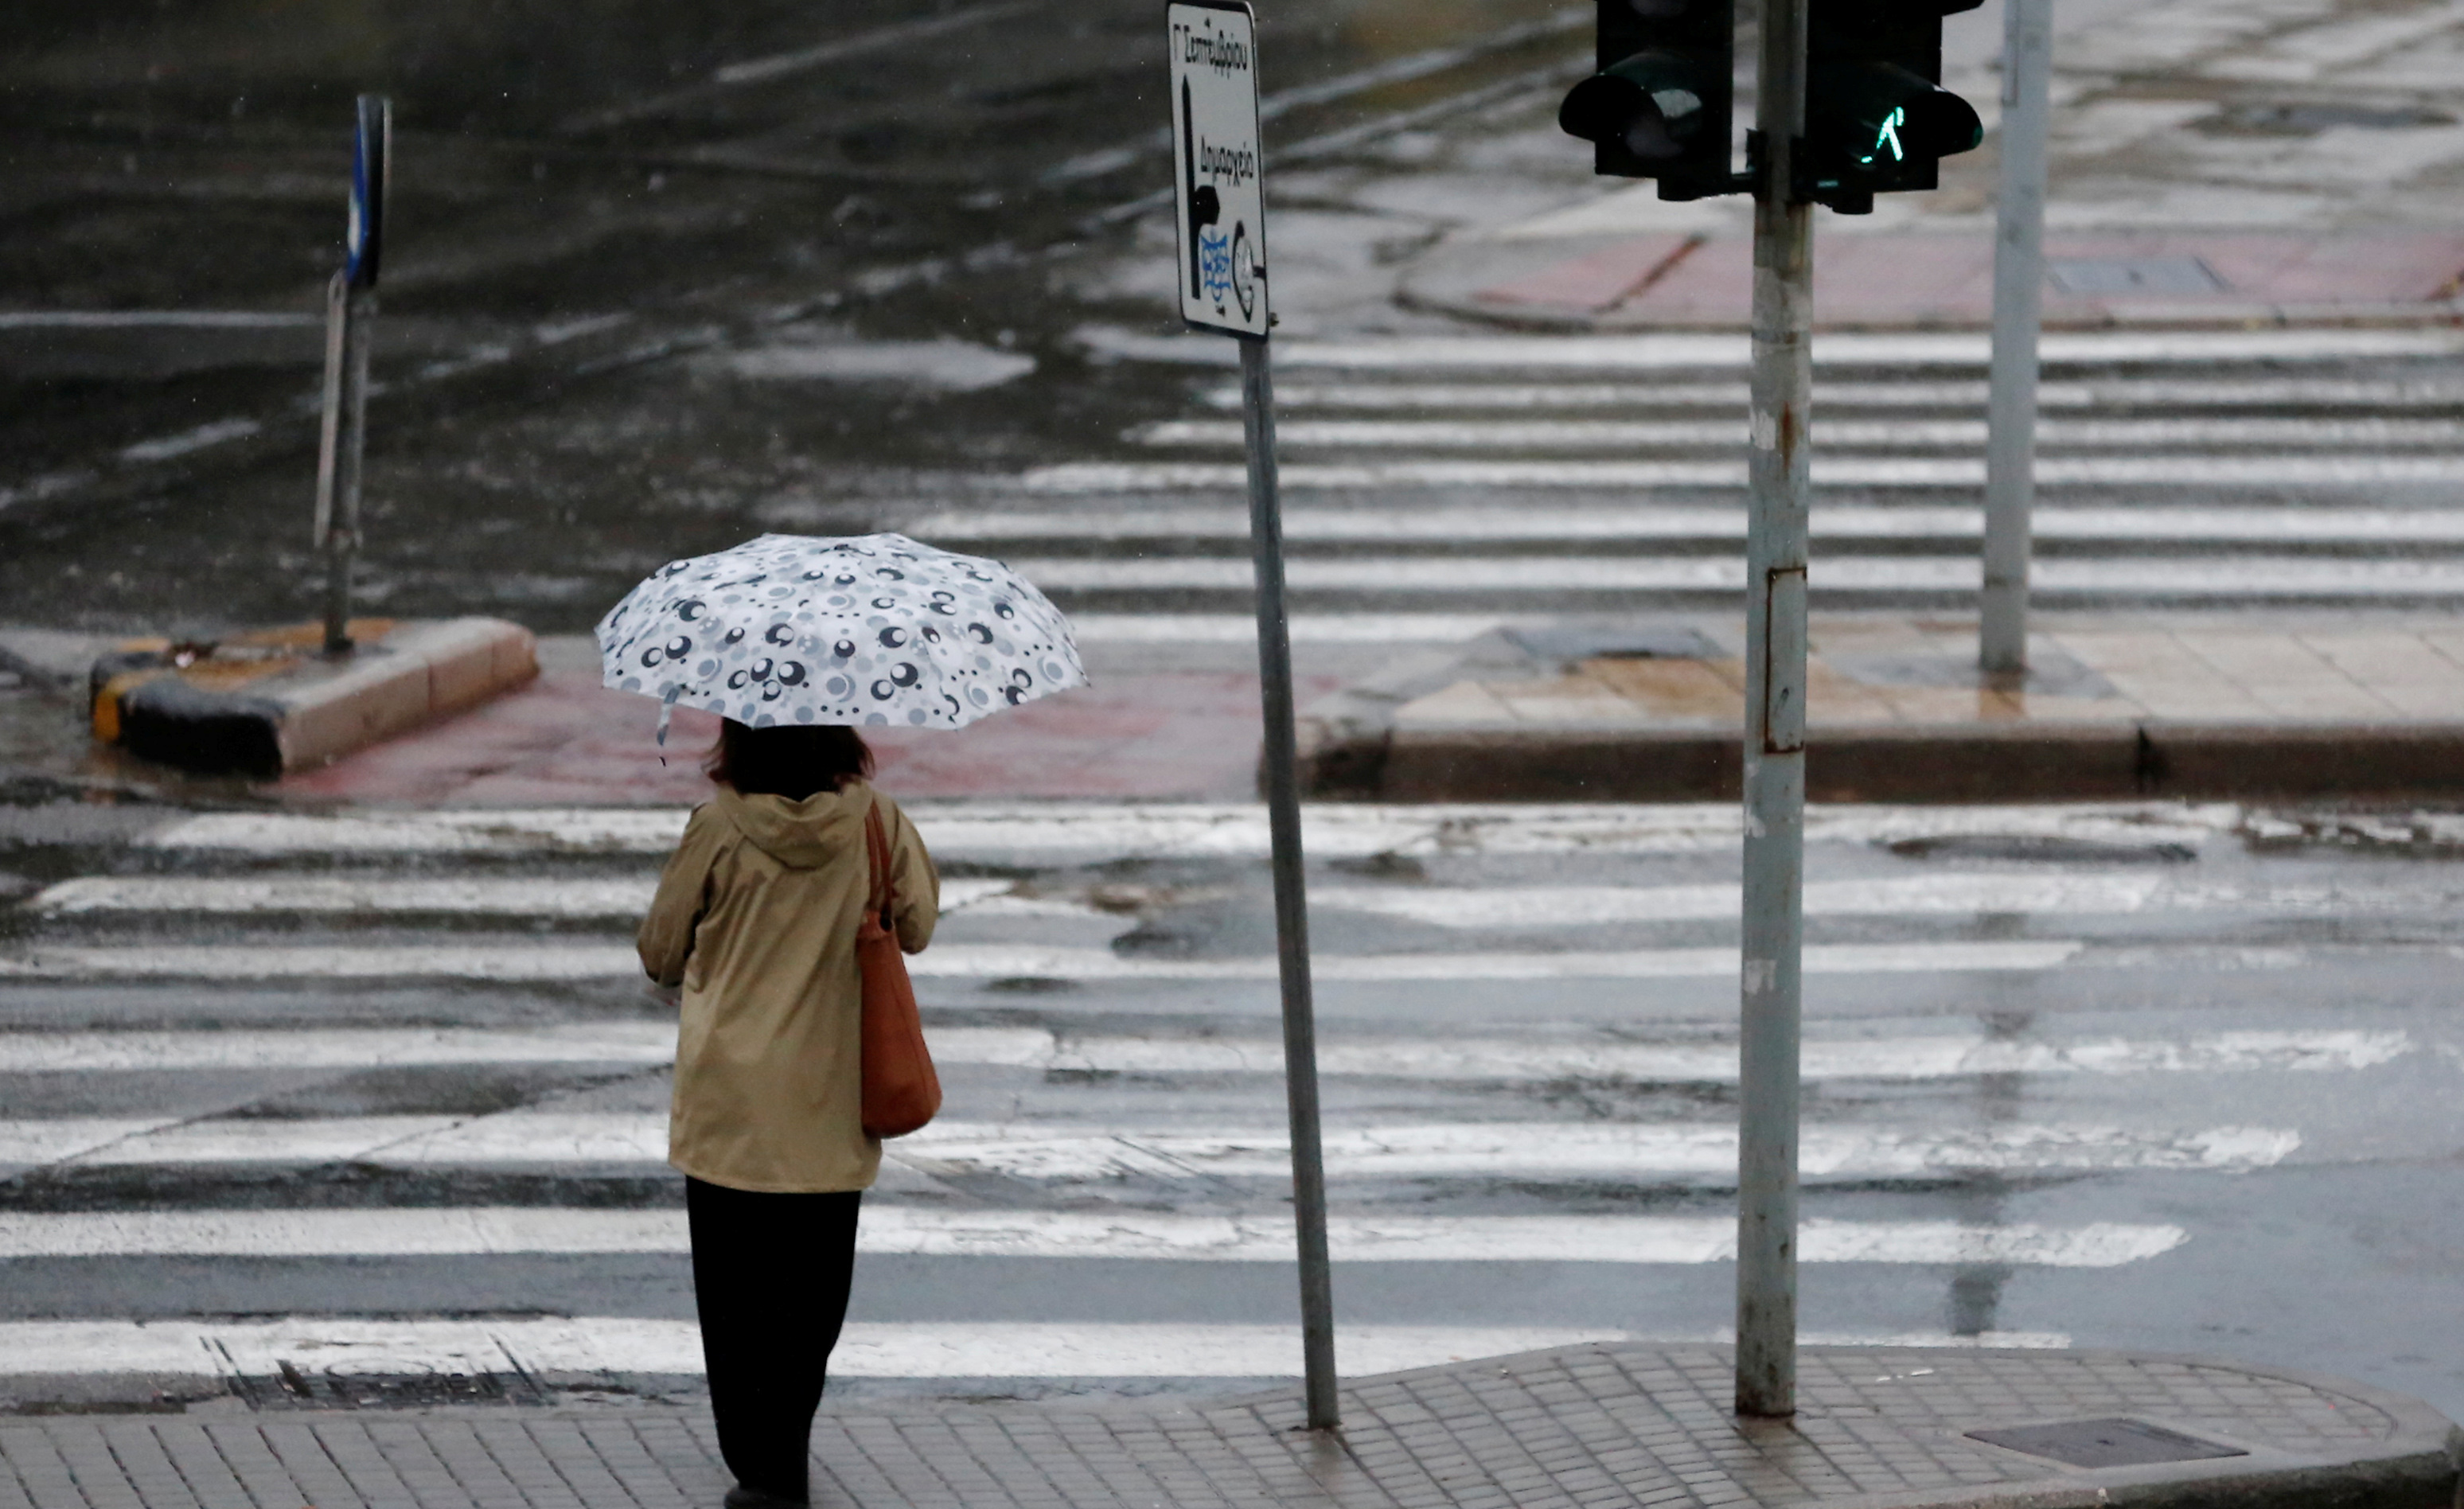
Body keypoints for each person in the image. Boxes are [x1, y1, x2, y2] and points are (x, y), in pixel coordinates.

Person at [637, 719, 938, 1509]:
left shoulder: (719, 826)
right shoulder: (876, 820)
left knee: (733, 1298)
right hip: (833, 1097)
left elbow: (661, 949)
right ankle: (784, 1451)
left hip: (729, 1101)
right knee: (810, 1295)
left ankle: (761, 1462)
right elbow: (920, 925)